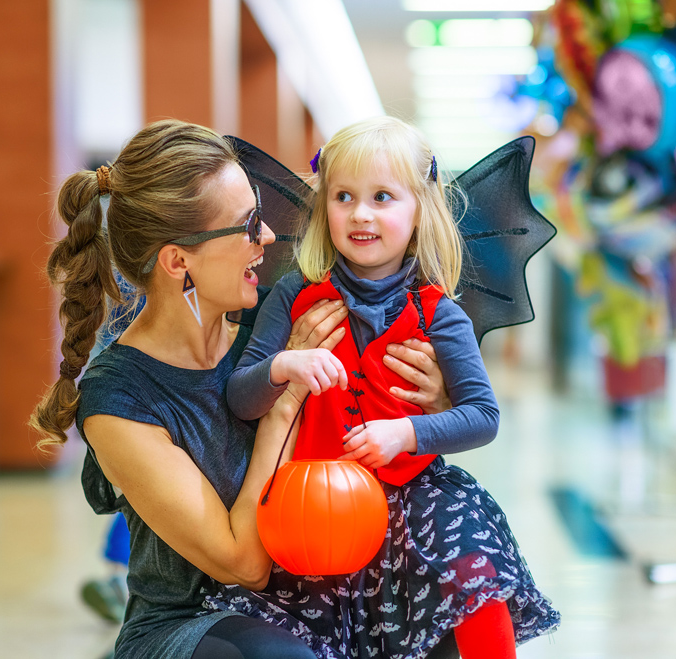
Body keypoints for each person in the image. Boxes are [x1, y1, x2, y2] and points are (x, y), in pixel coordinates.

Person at [29, 119, 451, 659]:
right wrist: (282, 407)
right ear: (179, 261)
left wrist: (426, 401)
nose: (269, 237)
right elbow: (244, 565)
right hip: (195, 621)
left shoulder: (275, 321)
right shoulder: (118, 400)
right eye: (248, 225)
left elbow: (380, 439)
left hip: (323, 592)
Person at [219, 116, 560, 659]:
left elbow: (482, 415)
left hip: (416, 497)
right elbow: (240, 394)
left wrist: (406, 432)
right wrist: (283, 366)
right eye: (344, 196)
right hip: (312, 501)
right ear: (323, 206)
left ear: (419, 209)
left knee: (475, 569)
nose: (360, 213)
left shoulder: (438, 315)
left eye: (382, 197)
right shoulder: (292, 295)